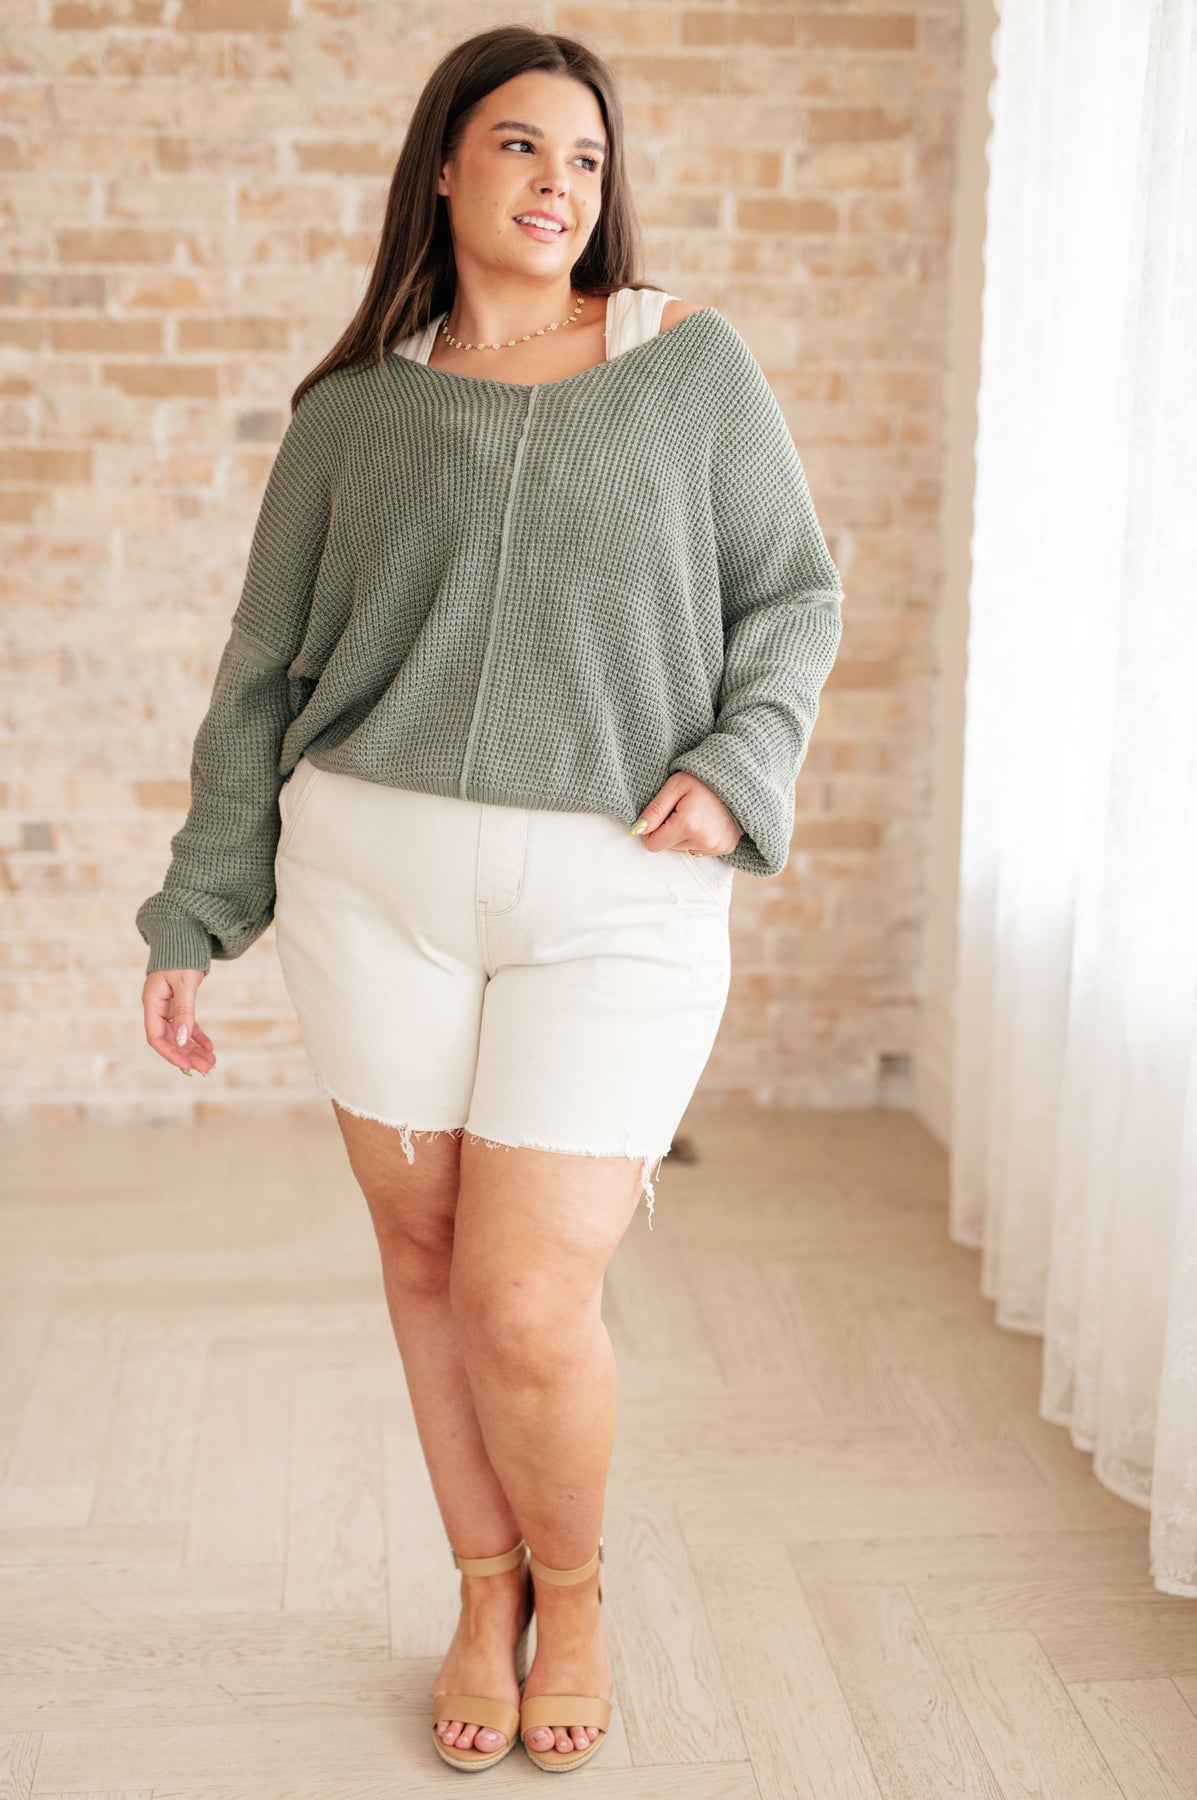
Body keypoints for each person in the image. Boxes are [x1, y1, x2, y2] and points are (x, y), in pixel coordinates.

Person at [135, 24, 844, 1775]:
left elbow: (792, 596)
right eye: (521, 145)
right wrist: (196, 911)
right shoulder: (353, 414)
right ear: (444, 166)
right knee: (423, 1257)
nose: (556, 183)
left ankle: (573, 1597)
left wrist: (742, 763)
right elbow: (260, 672)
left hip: (618, 897)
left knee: (525, 1298)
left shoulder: (685, 367)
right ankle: (480, 1588)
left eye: (586, 160)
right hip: (369, 888)